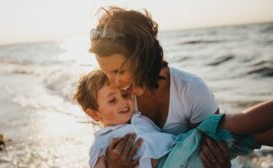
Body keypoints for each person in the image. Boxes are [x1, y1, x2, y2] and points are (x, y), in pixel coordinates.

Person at [89, 6, 229, 168]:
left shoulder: (191, 90)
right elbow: (105, 141)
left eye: (118, 71)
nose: (113, 83)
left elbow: (216, 152)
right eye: (106, 73)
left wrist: (222, 163)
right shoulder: (119, 99)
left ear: (143, 58)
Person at [73, 70, 273, 168]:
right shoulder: (102, 141)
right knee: (231, 125)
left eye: (124, 95)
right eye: (112, 100)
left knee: (251, 136)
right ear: (94, 114)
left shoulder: (138, 118)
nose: (124, 102)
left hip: (183, 153)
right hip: (172, 162)